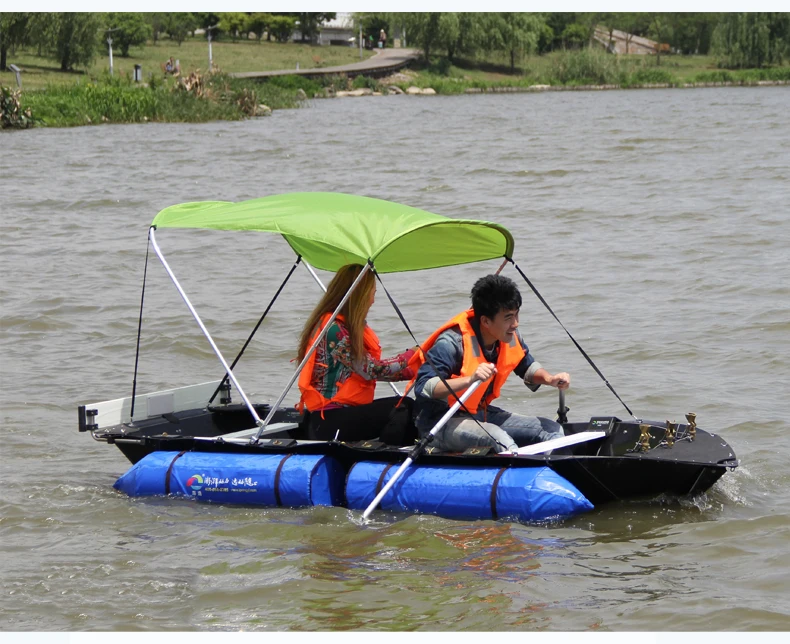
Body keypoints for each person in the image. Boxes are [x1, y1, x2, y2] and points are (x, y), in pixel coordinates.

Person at [411, 274, 571, 454]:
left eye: (517, 314)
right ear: (486, 321)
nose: (515, 324)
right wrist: (470, 380)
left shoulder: (509, 337)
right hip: (440, 423)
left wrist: (549, 379)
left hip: (481, 414)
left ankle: (554, 474)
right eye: (508, 317)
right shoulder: (451, 343)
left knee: (552, 430)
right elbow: (424, 387)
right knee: (500, 439)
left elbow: (526, 367)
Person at [296, 264, 419, 443]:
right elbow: (370, 369)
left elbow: (365, 373)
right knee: (403, 407)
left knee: (409, 406)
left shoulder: (345, 328)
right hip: (328, 420)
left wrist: (416, 368)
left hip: (344, 414)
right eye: (372, 293)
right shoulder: (334, 331)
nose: (373, 301)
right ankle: (386, 460)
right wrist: (411, 355)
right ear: (358, 295)